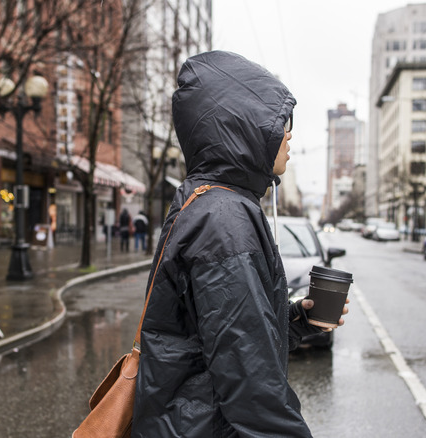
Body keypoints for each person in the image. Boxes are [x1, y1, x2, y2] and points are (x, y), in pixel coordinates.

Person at [131, 51, 348, 437]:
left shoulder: (210, 201)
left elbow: (217, 340)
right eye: (280, 122)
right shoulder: (225, 218)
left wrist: (295, 321)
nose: (289, 134)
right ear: (246, 127)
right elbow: (252, 389)